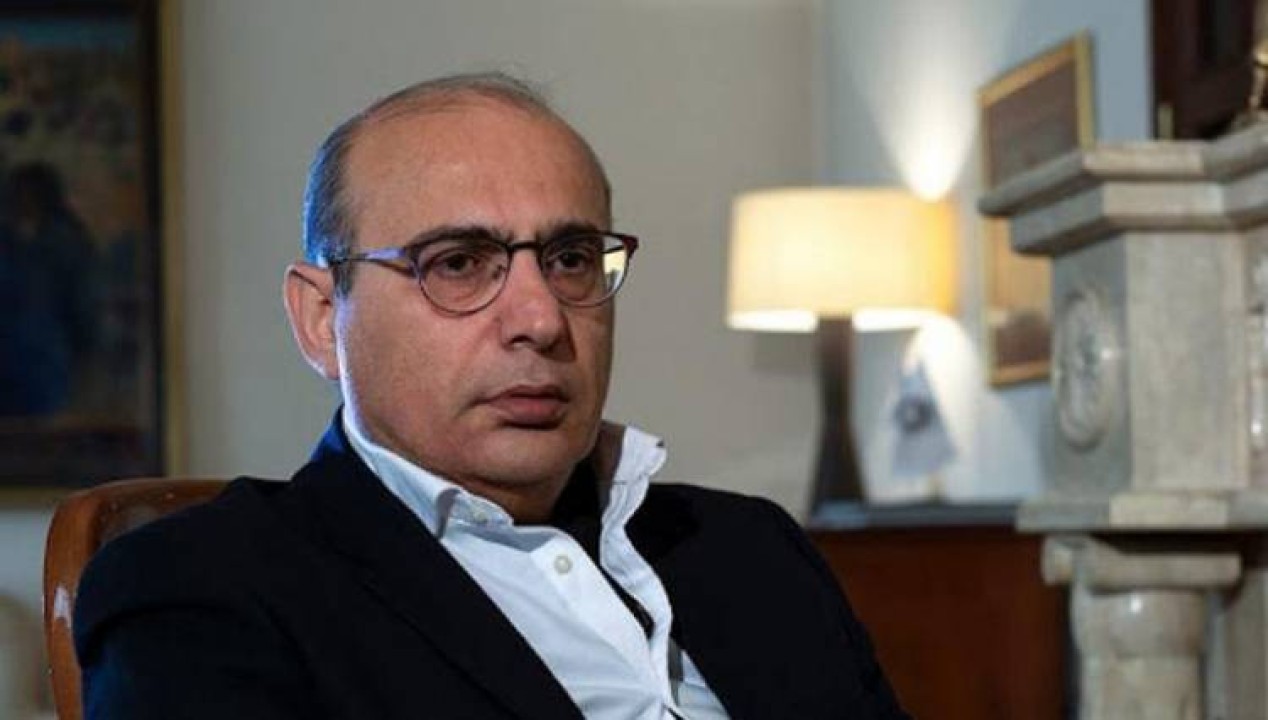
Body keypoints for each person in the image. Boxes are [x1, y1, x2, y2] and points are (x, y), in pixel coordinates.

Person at [74, 73, 907, 719]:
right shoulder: (200, 586)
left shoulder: (750, 548)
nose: (541, 320)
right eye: (459, 264)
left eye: (571, 258)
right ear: (323, 319)